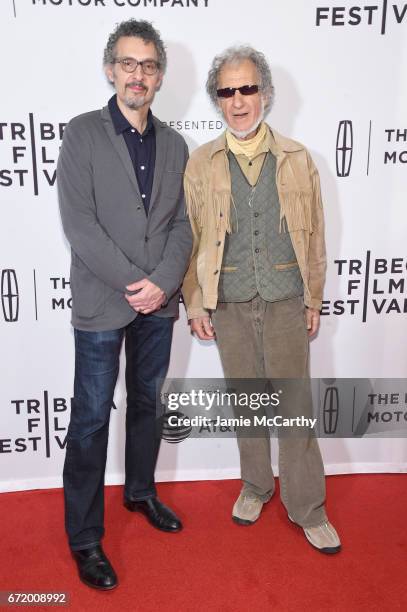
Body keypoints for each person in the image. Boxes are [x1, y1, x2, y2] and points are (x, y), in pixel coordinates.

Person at [182, 46, 341, 554]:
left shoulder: (297, 160)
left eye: (247, 88)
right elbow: (189, 235)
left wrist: (313, 297)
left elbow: (314, 235)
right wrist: (195, 302)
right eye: (227, 91)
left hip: (285, 298)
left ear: (266, 94)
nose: (238, 100)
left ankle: (307, 506)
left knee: (294, 407)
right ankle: (255, 485)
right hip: (226, 301)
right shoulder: (201, 163)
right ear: (217, 100)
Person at [57, 19, 192, 590]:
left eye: (149, 65)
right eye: (128, 64)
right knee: (90, 420)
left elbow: (184, 225)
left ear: (160, 76)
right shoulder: (83, 134)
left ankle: (140, 492)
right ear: (111, 69)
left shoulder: (177, 144)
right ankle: (85, 538)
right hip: (101, 302)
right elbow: (80, 226)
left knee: (146, 402)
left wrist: (161, 284)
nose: (138, 75)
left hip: (157, 306)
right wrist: (137, 281)